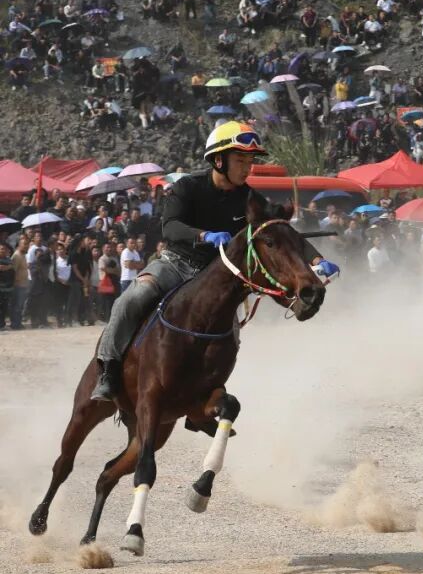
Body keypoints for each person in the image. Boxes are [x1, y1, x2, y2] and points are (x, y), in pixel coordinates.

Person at [91, 122, 339, 401]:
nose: (248, 168)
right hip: (175, 264)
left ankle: (207, 392)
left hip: (214, 276)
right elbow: (170, 227)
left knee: (229, 334)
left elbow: (283, 233)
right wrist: (204, 235)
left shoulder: (249, 198)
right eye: (241, 160)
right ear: (219, 160)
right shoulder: (187, 187)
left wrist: (317, 258)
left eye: (251, 162)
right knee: (133, 298)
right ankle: (108, 370)